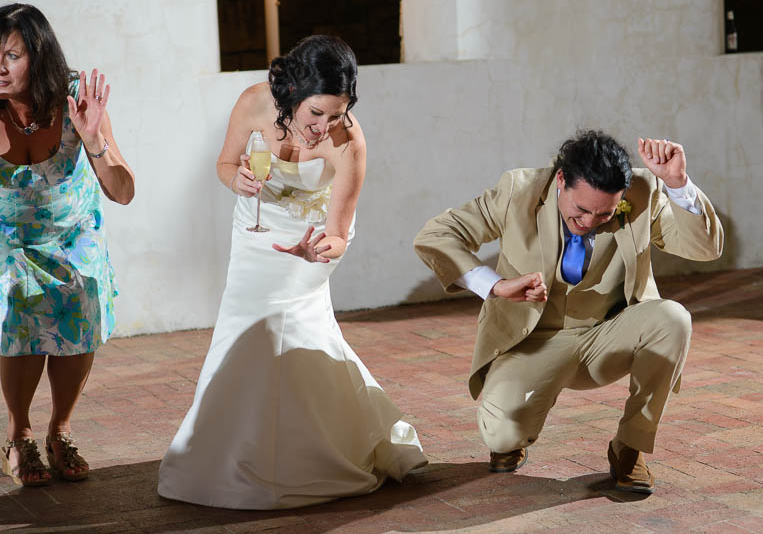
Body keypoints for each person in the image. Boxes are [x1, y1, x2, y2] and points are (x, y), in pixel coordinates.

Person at [158, 35, 426, 510]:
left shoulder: (350, 144)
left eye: (337, 115)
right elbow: (225, 164)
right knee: (242, 333)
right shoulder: (254, 103)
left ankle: (310, 453)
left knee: (295, 330)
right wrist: (235, 178)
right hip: (255, 231)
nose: (325, 127)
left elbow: (340, 233)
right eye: (315, 114)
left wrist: (319, 251)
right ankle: (225, 451)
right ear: (293, 95)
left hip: (308, 244)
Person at [414, 130, 723, 494]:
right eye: (581, 210)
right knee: (500, 435)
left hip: (608, 335)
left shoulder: (645, 189)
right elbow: (436, 236)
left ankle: (630, 445)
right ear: (561, 180)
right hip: (534, 339)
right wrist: (495, 286)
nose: (590, 222)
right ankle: (513, 438)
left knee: (673, 318)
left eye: (604, 213)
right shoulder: (518, 189)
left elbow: (705, 249)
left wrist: (676, 184)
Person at [0, 3, 135, 487]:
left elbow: (121, 191)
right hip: (9, 240)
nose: (0, 67)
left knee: (80, 288)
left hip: (74, 234)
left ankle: (60, 430)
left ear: (38, 55)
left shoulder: (76, 98)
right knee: (16, 297)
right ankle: (19, 434)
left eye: (11, 55)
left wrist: (93, 138)